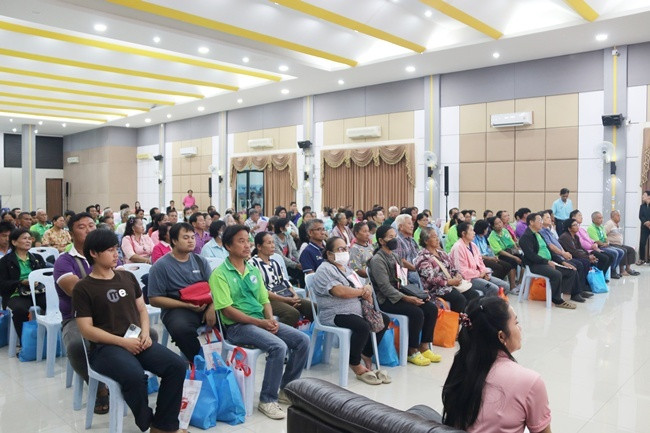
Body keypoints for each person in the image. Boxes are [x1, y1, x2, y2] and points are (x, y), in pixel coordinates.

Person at [73, 229, 185, 433]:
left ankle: (164, 425)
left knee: (176, 365)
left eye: (116, 249)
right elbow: (86, 329)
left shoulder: (127, 277)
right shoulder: (84, 287)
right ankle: (147, 421)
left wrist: (145, 333)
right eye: (109, 250)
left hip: (136, 340)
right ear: (94, 253)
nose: (115, 254)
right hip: (105, 349)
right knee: (134, 376)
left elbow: (142, 309)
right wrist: (123, 343)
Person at [210, 225, 310, 419]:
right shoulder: (220, 274)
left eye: (248, 240)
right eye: (241, 241)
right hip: (237, 327)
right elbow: (227, 311)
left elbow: (265, 300)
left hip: (259, 321)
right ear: (228, 246)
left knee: (302, 340)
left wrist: (270, 319)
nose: (247, 245)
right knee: (278, 346)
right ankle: (267, 400)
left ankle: (286, 389)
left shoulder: (252, 270)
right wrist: (261, 323)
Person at [442, 297, 552, 433]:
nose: (520, 328)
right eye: (516, 322)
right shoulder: (530, 381)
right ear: (501, 336)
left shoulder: (461, 365)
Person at [312, 236, 391, 385]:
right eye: (340, 249)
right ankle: (354, 363)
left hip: (356, 309)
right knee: (362, 327)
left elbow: (361, 285)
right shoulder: (325, 269)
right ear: (329, 253)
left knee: (384, 320)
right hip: (334, 312)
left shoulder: (346, 268)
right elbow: (340, 291)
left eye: (345, 248)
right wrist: (362, 292)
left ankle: (366, 354)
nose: (344, 252)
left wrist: (366, 288)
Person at [369, 226, 441, 366]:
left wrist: (417, 294)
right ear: (381, 241)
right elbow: (385, 287)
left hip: (400, 294)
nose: (394, 239)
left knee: (431, 308)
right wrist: (407, 298)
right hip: (386, 299)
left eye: (395, 236)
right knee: (416, 312)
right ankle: (411, 350)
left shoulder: (395, 256)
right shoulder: (377, 260)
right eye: (390, 237)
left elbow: (403, 281)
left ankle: (424, 346)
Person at [148, 222, 214, 361]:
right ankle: (200, 361)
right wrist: (186, 305)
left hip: (205, 303)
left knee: (231, 316)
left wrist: (212, 307)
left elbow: (215, 288)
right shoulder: (160, 266)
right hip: (177, 307)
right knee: (181, 329)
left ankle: (229, 359)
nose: (191, 241)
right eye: (185, 237)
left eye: (192, 237)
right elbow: (154, 299)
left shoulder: (200, 261)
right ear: (174, 241)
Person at [250, 232, 313, 327]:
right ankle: (274, 331)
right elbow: (261, 291)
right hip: (269, 299)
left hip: (285, 294)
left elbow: (285, 281)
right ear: (259, 246)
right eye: (269, 243)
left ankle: (304, 329)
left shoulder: (274, 262)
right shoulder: (252, 264)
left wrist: (294, 295)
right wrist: (286, 300)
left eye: (273, 242)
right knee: (292, 313)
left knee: (313, 308)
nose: (273, 246)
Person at [415, 227, 480, 313]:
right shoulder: (423, 257)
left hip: (451, 284)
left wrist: (457, 274)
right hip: (436, 289)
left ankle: (470, 318)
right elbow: (431, 279)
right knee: (459, 299)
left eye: (437, 236)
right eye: (434, 237)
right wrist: (449, 282)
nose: (437, 239)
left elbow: (452, 268)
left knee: (474, 295)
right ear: (426, 241)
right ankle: (458, 320)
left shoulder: (441, 253)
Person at [519, 213, 577, 309]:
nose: (541, 223)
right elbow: (531, 255)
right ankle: (557, 300)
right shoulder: (526, 237)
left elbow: (550, 252)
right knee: (556, 274)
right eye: (539, 220)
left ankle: (562, 297)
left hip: (546, 262)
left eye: (541, 220)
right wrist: (546, 262)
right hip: (535, 265)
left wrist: (562, 262)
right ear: (531, 222)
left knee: (571, 271)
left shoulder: (539, 234)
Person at [0, 228, 47, 338]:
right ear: (14, 242)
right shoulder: (5, 261)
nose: (28, 241)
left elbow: (45, 276)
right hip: (16, 293)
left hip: (37, 291)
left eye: (30, 238)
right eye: (24, 238)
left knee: (54, 304)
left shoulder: (37, 258)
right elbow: (2, 284)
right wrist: (20, 282)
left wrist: (38, 281)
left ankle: (48, 336)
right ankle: (25, 340)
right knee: (19, 310)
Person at [539, 211, 593, 301]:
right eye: (547, 217)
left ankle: (580, 290)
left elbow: (558, 244)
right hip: (555, 257)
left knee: (582, 263)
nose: (551, 219)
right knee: (577, 265)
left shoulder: (549, 231)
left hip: (560, 255)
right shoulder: (542, 232)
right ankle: (574, 293)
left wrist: (564, 253)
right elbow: (550, 246)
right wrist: (563, 254)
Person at [450, 222, 509, 296]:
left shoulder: (473, 245)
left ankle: (496, 302)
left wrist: (484, 272)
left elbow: (480, 262)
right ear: (463, 233)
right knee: (493, 289)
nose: (474, 233)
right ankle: (488, 303)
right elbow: (462, 271)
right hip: (468, 279)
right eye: (471, 230)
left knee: (505, 286)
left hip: (479, 275)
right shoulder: (458, 247)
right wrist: (479, 274)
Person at [569, 210, 612, 279]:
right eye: (579, 215)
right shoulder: (575, 230)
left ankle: (601, 276)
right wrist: (592, 246)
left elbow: (589, 239)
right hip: (587, 250)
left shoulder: (581, 229)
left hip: (593, 248)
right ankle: (597, 277)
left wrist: (595, 244)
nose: (582, 217)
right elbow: (581, 242)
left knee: (610, 256)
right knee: (605, 258)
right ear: (573, 218)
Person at [472, 219, 514, 289]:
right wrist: (490, 258)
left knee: (507, 266)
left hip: (488, 257)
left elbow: (487, 250)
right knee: (498, 267)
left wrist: (494, 257)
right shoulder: (474, 239)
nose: (487, 230)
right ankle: (492, 284)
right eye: (486, 228)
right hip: (481, 260)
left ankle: (499, 283)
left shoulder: (483, 238)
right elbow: (477, 255)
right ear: (483, 229)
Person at [587, 211, 625, 279]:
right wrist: (604, 244)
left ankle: (613, 269)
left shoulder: (601, 227)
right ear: (593, 219)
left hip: (605, 245)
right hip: (598, 246)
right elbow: (596, 241)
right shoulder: (591, 228)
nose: (601, 219)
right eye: (599, 218)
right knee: (614, 253)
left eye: (602, 218)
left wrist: (607, 243)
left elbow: (605, 237)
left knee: (621, 251)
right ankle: (611, 272)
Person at [487, 216, 523, 284]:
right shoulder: (492, 236)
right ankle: (512, 285)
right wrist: (514, 257)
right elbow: (500, 251)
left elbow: (512, 243)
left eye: (500, 222)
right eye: (496, 224)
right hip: (502, 255)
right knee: (512, 261)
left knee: (525, 260)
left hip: (511, 251)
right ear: (493, 226)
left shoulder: (505, 231)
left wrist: (517, 251)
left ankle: (520, 282)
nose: (499, 225)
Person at [604, 210, 640, 275]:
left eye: (619, 216)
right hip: (612, 244)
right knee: (623, 250)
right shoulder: (609, 223)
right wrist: (606, 242)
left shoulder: (616, 224)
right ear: (613, 216)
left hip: (619, 244)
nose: (619, 217)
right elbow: (603, 233)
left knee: (631, 250)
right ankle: (622, 270)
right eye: (618, 216)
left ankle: (628, 268)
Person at [393, 214, 422, 287]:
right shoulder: (397, 241)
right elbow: (399, 260)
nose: (412, 226)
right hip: (407, 275)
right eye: (409, 224)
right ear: (401, 227)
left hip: (417, 272)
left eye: (412, 224)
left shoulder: (412, 240)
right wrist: (415, 268)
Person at [273, 217, 302, 285]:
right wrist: (295, 265)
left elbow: (294, 251)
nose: (290, 228)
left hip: (289, 263)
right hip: (280, 265)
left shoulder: (288, 237)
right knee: (299, 272)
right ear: (281, 228)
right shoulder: (274, 240)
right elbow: (281, 257)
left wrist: (300, 261)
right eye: (287, 225)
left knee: (303, 270)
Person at [639, 191, 650, 264]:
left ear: (649, 196)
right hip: (644, 227)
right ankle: (642, 259)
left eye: (644, 195)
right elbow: (640, 216)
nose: (643, 196)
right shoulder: (642, 206)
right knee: (642, 243)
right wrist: (646, 223)